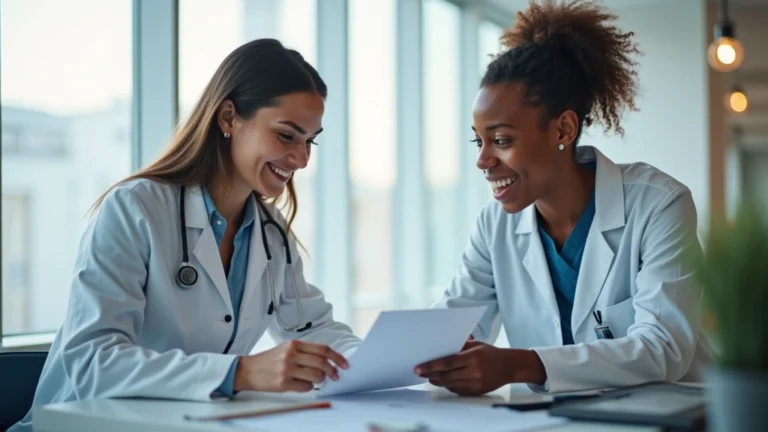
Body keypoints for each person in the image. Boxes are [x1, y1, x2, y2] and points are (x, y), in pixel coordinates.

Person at [11, 39, 358, 432]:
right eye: (286, 135)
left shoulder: (270, 231)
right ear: (228, 117)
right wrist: (239, 373)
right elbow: (92, 360)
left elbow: (313, 329)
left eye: (309, 141)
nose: (302, 159)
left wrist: (379, 363)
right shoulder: (135, 208)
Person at [415, 0, 712, 396]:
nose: (483, 160)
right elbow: (452, 328)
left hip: (667, 415)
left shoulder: (658, 204)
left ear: (563, 130)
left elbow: (664, 348)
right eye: (479, 141)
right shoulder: (495, 225)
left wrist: (521, 363)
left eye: (501, 141)